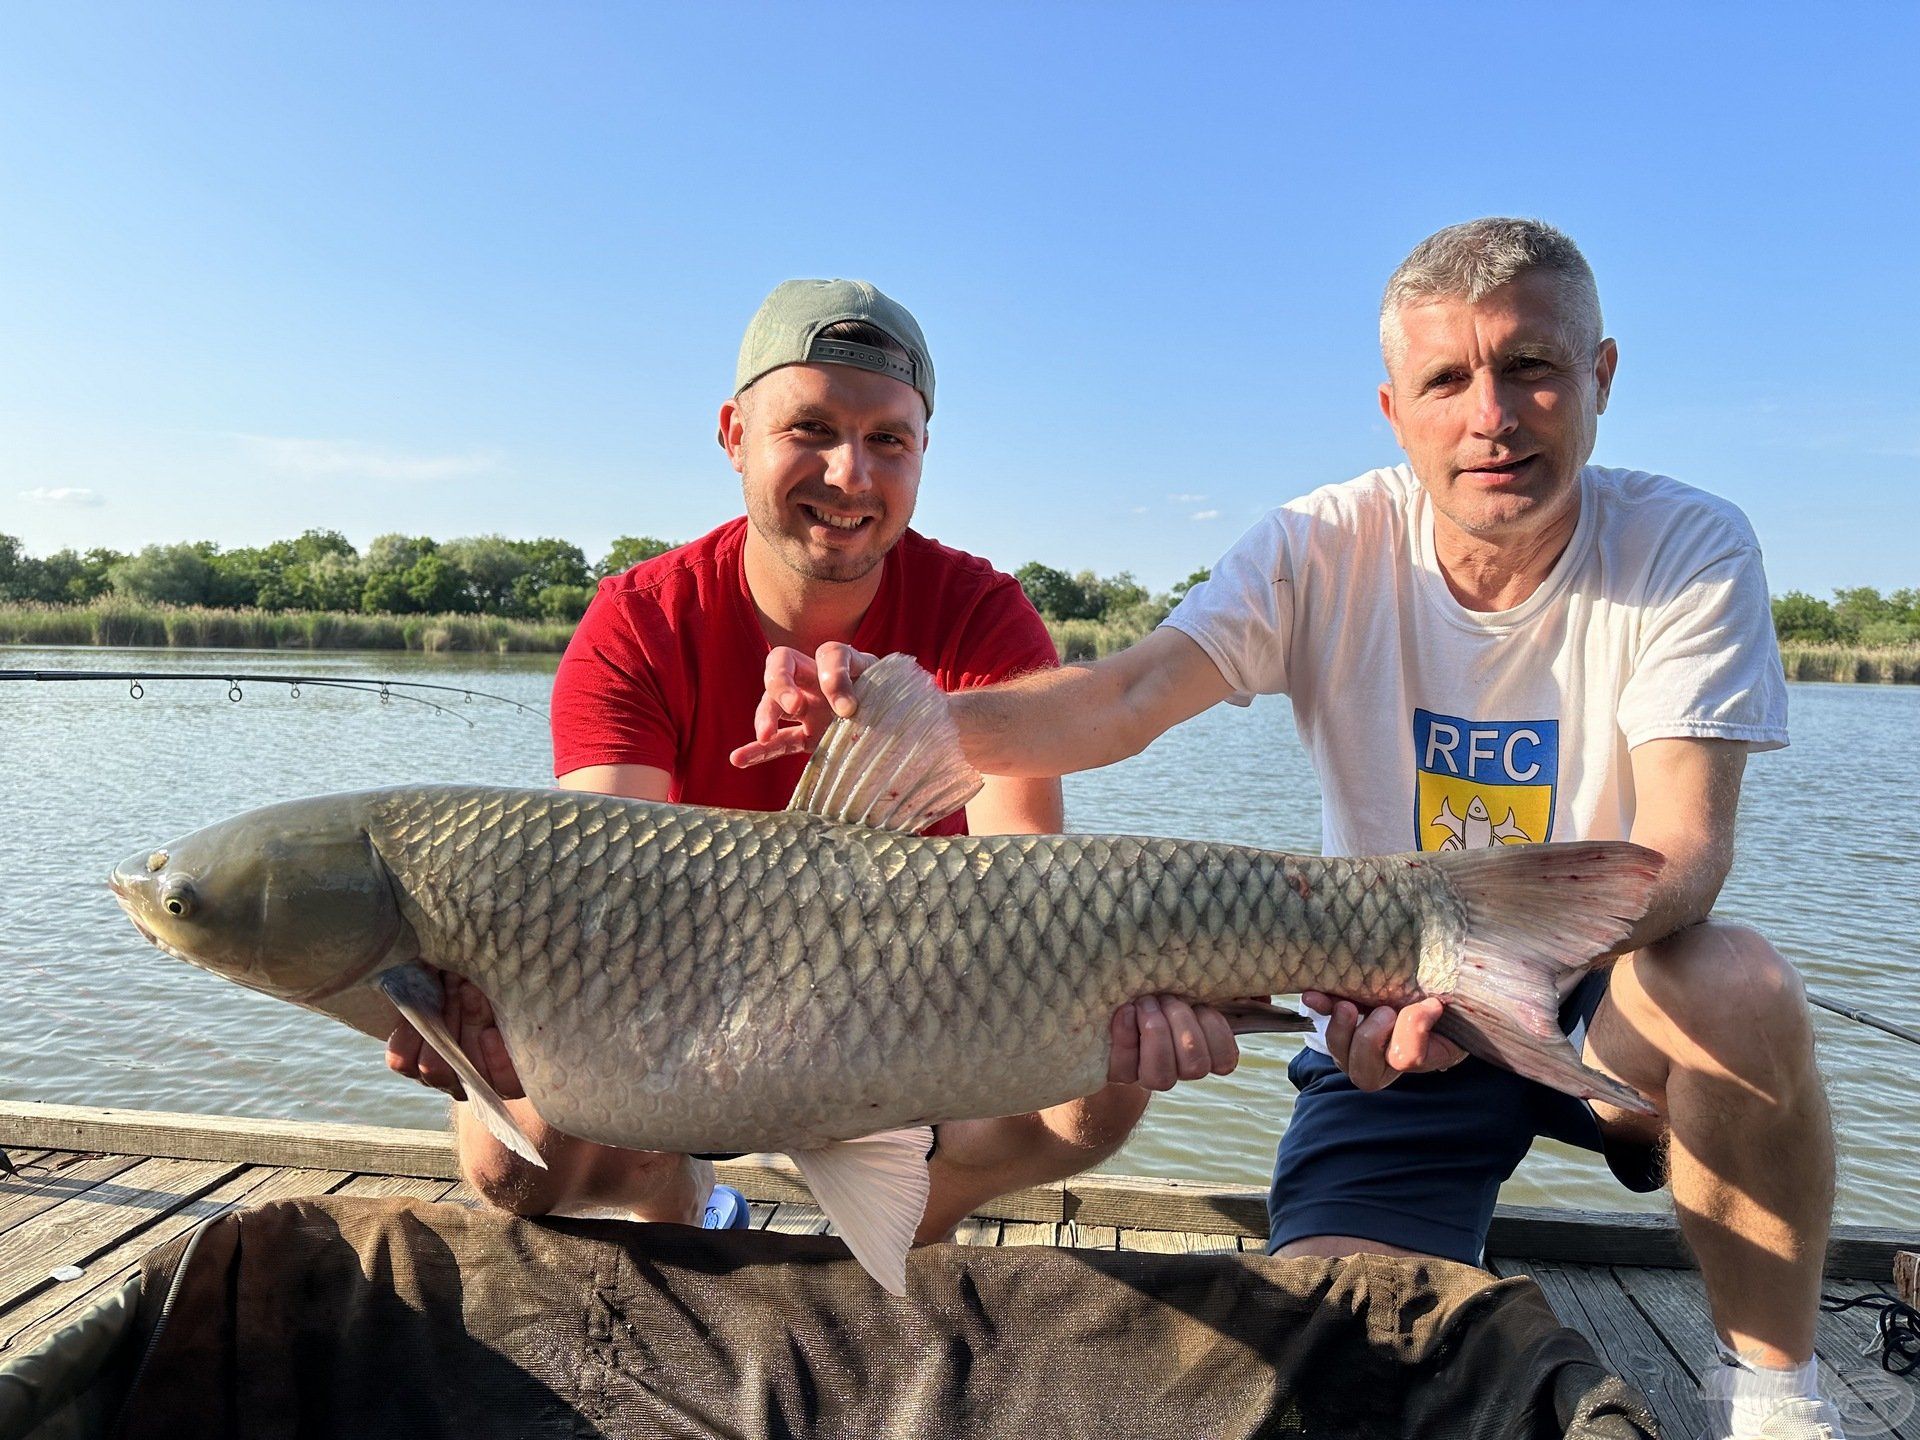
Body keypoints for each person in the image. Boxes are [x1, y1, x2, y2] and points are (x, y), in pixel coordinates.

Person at [737, 223, 1843, 1439]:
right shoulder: (1320, 543)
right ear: (1393, 406)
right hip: (1386, 1020)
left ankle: (1772, 1397)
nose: (1493, 416)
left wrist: (1501, 969)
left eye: (1532, 366)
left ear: (1601, 377)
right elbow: (1124, 697)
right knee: (1334, 1370)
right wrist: (918, 722)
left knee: (1735, 979)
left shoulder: (1688, 544)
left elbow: (1685, 849)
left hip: (1603, 997)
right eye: (1446, 381)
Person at [386, 277, 1230, 1246]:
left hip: (916, 1019)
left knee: (1101, 1090)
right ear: (734, 434)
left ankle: (914, 1229)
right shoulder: (637, 621)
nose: (850, 475)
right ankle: (682, 1212)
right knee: (512, 1159)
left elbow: (1029, 870)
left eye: (888, 441)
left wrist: (1126, 990)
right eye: (811, 430)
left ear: (923, 452)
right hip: (681, 1018)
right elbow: (595, 912)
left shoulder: (981, 610)